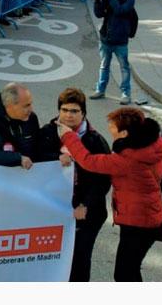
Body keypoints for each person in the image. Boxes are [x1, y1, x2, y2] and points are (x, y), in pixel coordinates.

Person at [58, 107, 162, 282]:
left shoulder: (127, 159)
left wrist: (68, 136)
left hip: (137, 222)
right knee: (130, 269)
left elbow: (88, 161)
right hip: (151, 214)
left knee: (125, 273)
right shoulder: (156, 144)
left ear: (124, 133)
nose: (109, 129)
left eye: (113, 127)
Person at [35, 88, 111, 282]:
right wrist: (56, 157)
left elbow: (103, 180)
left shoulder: (95, 140)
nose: (69, 115)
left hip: (86, 213)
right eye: (65, 110)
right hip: (54, 208)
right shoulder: (47, 132)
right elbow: (36, 159)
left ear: (83, 113)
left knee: (79, 260)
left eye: (74, 111)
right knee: (52, 259)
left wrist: (85, 205)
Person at [91, 0, 135, 104]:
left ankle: (126, 94)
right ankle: (100, 90)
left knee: (124, 68)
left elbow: (120, 10)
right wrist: (97, 0)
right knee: (104, 66)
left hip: (121, 40)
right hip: (106, 39)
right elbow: (99, 14)